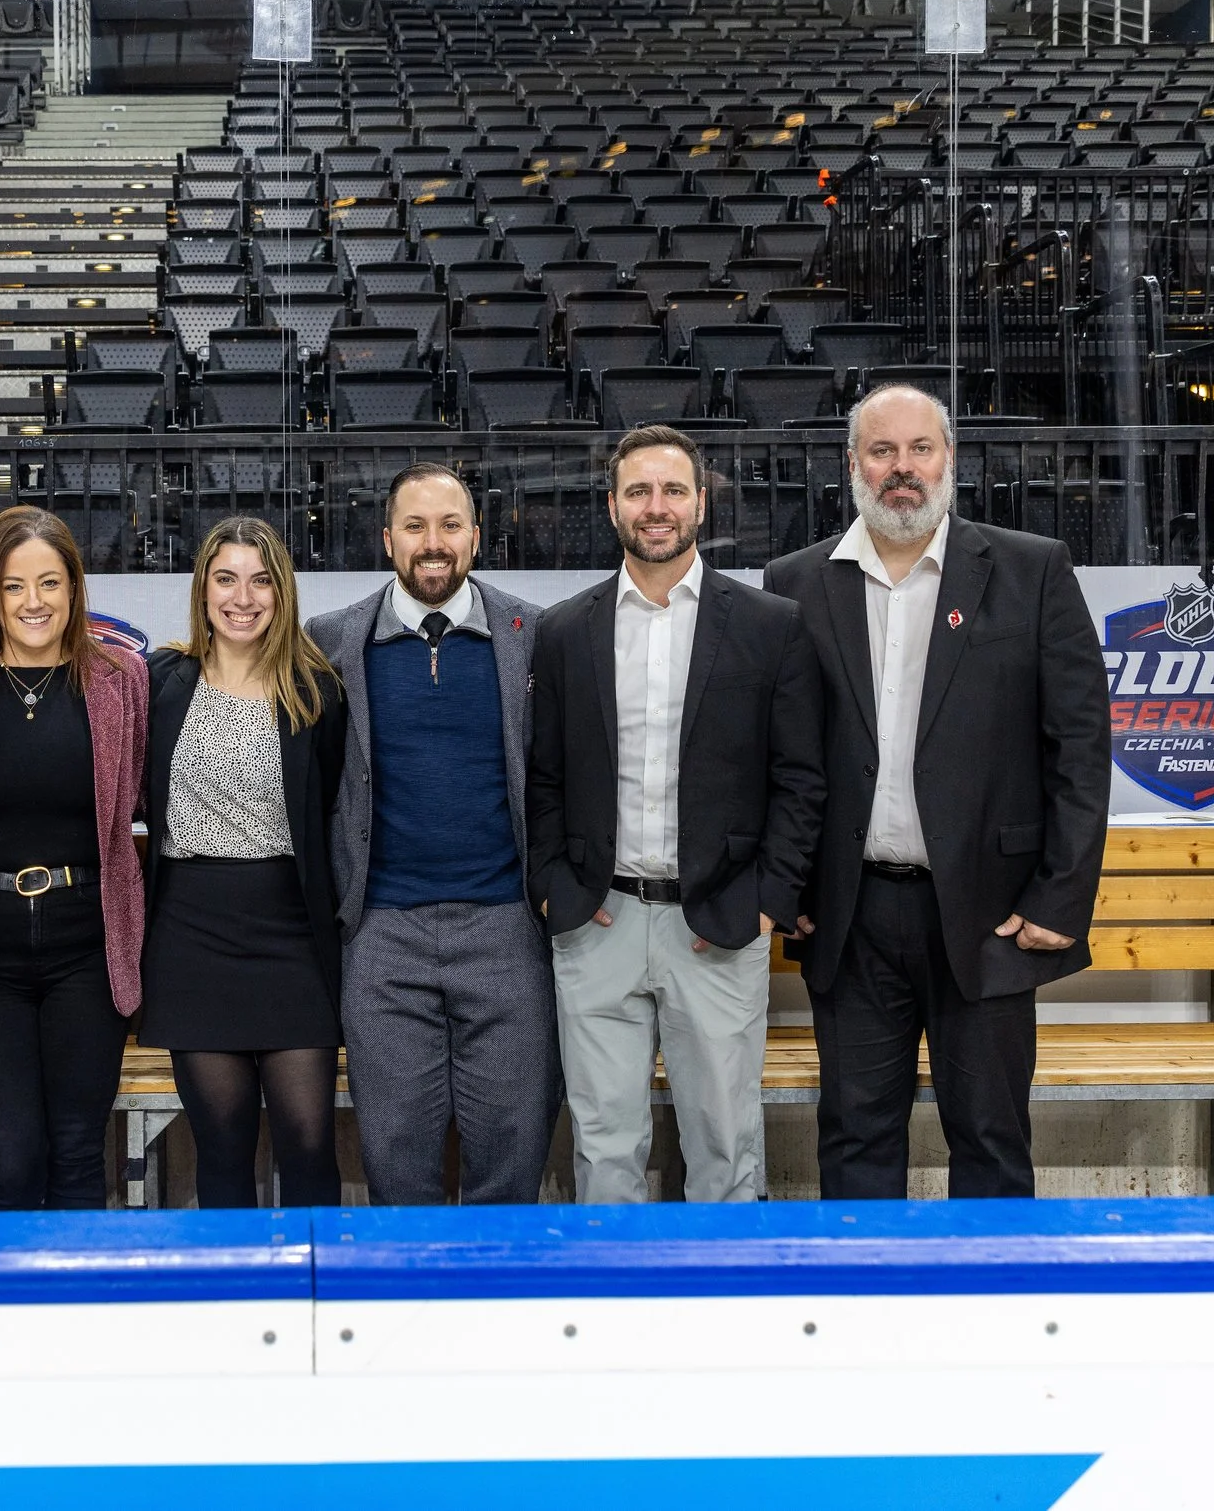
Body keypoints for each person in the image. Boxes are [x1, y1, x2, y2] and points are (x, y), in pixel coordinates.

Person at [764, 386, 1110, 1200]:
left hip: (991, 915)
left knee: (990, 1138)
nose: (902, 470)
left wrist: (1062, 897)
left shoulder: (1031, 570)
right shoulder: (795, 582)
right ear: (853, 466)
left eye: (920, 449)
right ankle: (861, 1321)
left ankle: (988, 1323)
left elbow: (1082, 746)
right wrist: (788, 885)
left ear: (949, 459)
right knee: (853, 1138)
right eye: (882, 452)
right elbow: (772, 753)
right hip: (850, 918)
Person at [527, 426, 825, 1204]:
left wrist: (768, 901)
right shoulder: (564, 630)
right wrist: (556, 886)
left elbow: (801, 779)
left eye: (671, 490)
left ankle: (722, 1315)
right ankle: (611, 1312)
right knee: (603, 1145)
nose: (655, 508)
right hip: (599, 918)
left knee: (726, 1144)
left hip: (721, 923)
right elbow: (543, 776)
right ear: (612, 505)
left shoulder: (769, 624)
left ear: (702, 500)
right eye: (638, 491)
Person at [308, 463, 554, 1205]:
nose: (434, 542)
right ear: (387, 538)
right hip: (381, 935)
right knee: (393, 1159)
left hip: (505, 927)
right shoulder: (333, 642)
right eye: (415, 526)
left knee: (513, 1154)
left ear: (477, 536)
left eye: (450, 525)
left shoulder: (532, 635)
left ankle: (497, 1310)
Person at [0, 506, 149, 1211]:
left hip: (88, 942)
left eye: (50, 582)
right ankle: (8, 1316)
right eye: (14, 586)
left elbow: (135, 796)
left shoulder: (120, 678)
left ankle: (80, 1319)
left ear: (76, 588)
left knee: (79, 1151)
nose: (34, 602)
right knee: (12, 1155)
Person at [143, 518, 347, 1209]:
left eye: (261, 580)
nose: (243, 597)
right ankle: (234, 1308)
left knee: (309, 1142)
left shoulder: (316, 690)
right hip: (192, 934)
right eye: (225, 578)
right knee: (222, 1145)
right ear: (202, 589)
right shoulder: (160, 683)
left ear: (282, 592)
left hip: (291, 932)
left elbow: (335, 816)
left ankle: (318, 1305)